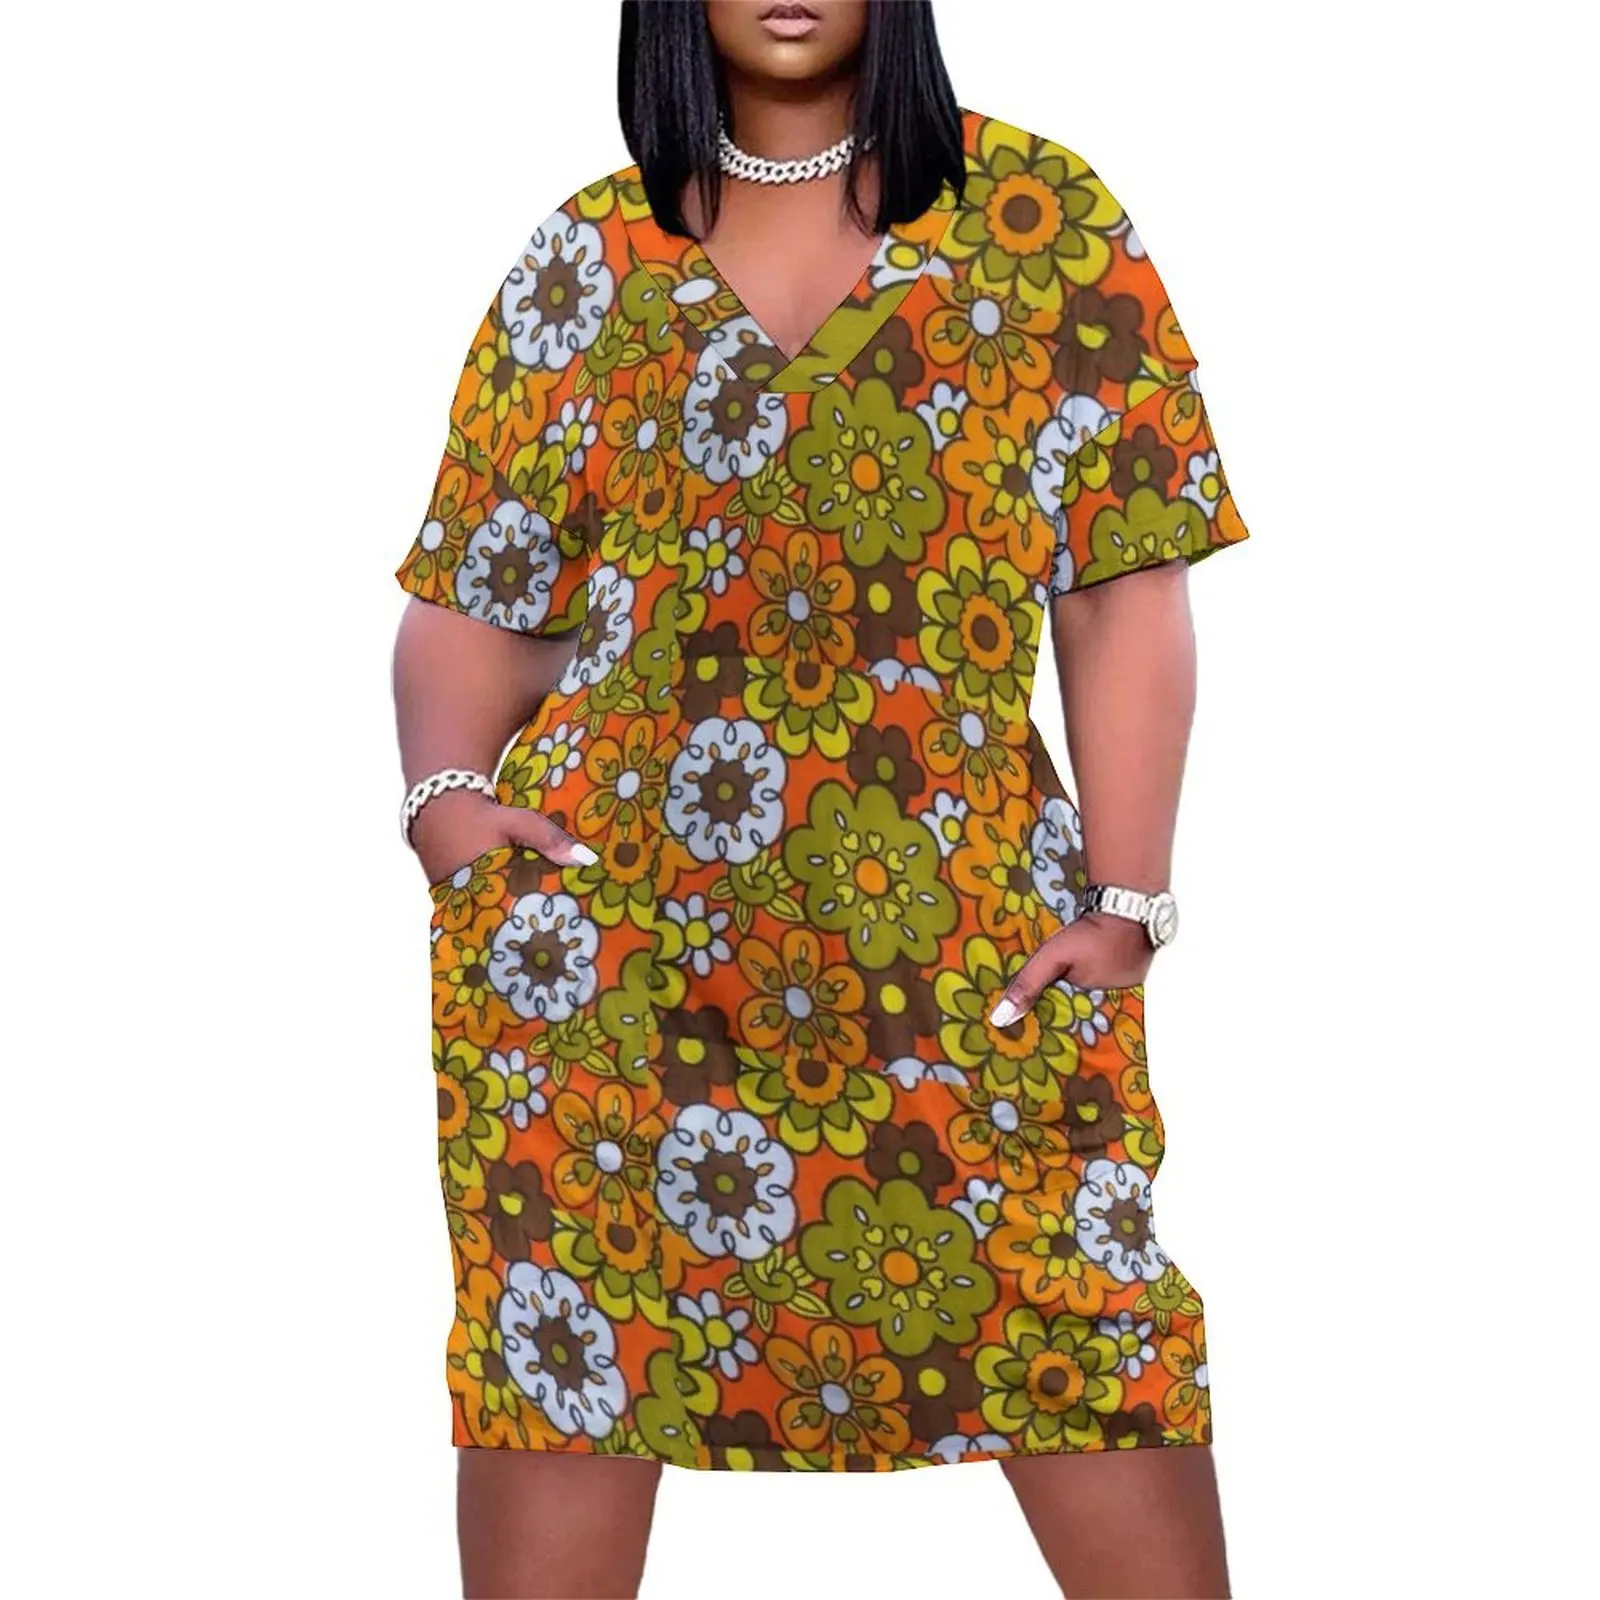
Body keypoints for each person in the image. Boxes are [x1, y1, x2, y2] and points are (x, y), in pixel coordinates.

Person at [392, 2, 1249, 1594]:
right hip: (610, 975)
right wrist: (446, 803)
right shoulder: (588, 254)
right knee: (564, 1388)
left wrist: (1127, 901)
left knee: (1096, 1353)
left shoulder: (1041, 222)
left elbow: (1124, 591)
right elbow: (475, 596)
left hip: (965, 957)